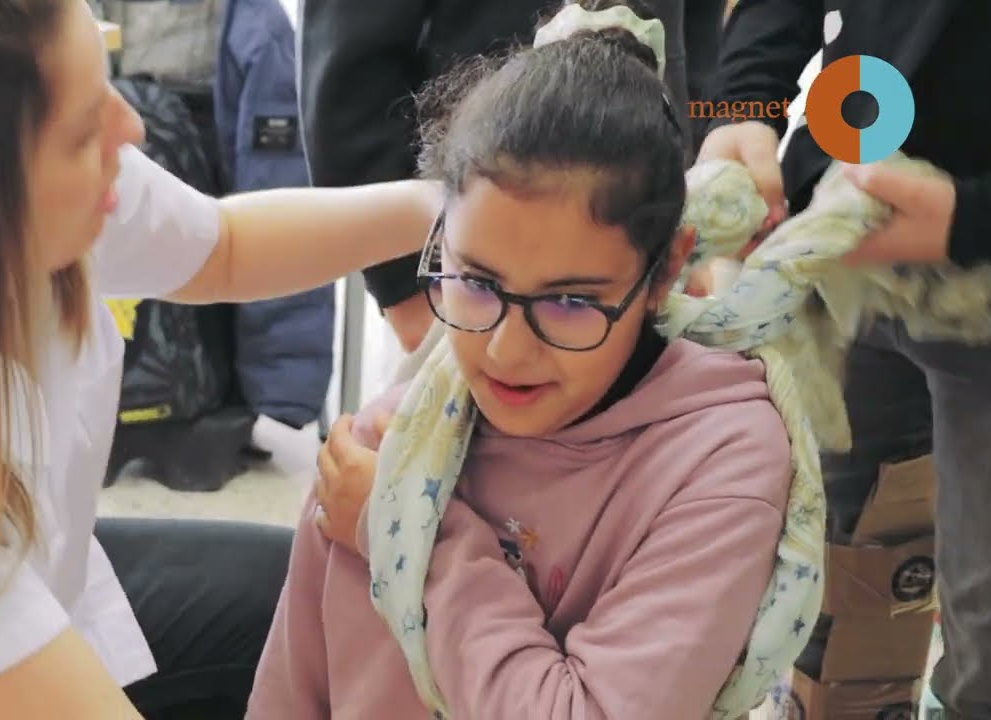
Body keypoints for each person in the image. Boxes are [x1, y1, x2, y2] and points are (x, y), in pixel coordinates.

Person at [0, 0, 440, 718]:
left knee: (301, 598)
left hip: (27, 574)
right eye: (82, 129)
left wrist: (443, 208)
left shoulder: (43, 194)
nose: (130, 129)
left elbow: (222, 247)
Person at [247, 2, 793, 716]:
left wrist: (409, 532)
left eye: (569, 301)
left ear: (665, 271)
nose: (504, 350)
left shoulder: (721, 461)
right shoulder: (390, 440)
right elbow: (294, 692)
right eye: (475, 283)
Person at [698, 1, 991, 716]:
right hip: (845, 254)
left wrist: (975, 220)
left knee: (990, 648)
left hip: (982, 279)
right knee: (831, 580)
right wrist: (743, 103)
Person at [299, 0, 723, 353]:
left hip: (632, 247)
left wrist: (680, 198)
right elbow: (348, 65)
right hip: (463, 236)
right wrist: (401, 286)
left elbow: (699, 29)